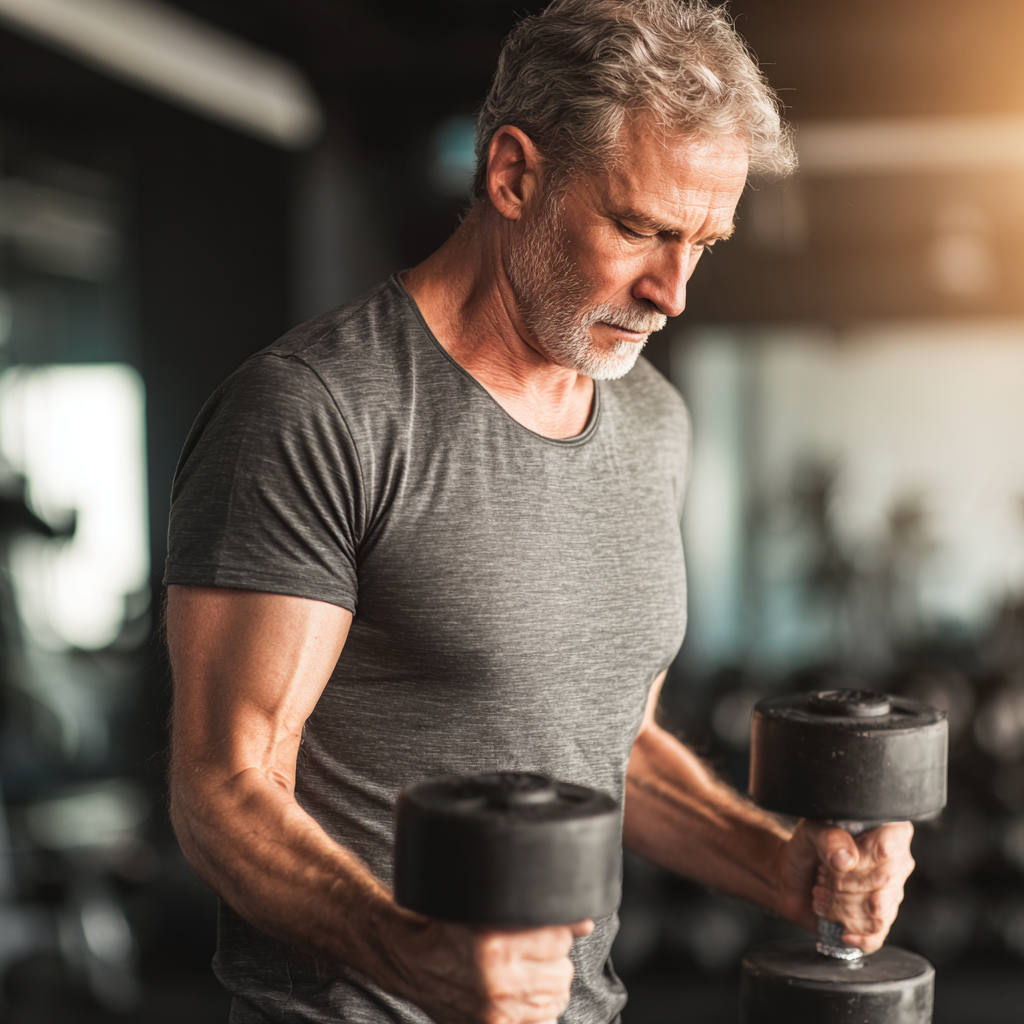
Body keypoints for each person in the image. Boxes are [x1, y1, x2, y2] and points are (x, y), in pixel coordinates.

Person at [165, 2, 916, 1021]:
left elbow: (607, 745)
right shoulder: (318, 409)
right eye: (640, 228)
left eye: (703, 241)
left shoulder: (652, 419)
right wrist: (413, 952)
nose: (673, 291)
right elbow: (224, 785)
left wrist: (781, 866)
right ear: (514, 174)